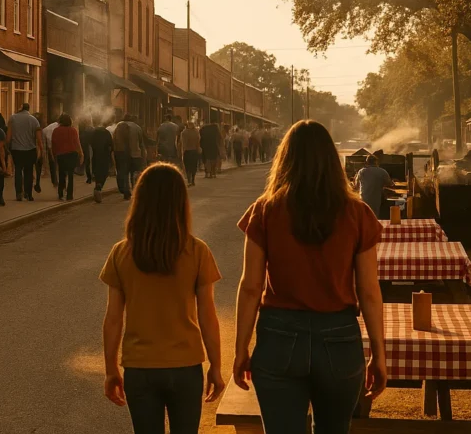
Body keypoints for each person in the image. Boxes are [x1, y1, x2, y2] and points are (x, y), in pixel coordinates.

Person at [234, 121, 387, 433]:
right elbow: (369, 291)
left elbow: (251, 287)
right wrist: (379, 355)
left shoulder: (265, 211)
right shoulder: (357, 214)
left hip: (278, 336)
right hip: (339, 337)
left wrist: (241, 349)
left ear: (285, 159)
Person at [100, 163, 226, 433]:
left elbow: (112, 320)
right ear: (181, 202)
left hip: (140, 368)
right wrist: (215, 365)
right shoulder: (197, 251)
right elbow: (207, 316)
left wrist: (111, 369)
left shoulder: (121, 253)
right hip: (185, 367)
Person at [5, 102, 42, 201]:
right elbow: (39, 138)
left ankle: (18, 193)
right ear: (28, 109)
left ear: (20, 108)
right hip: (30, 150)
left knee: (18, 170)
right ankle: (28, 193)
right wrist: (41, 150)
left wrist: (7, 147)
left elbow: (8, 136)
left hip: (16, 149)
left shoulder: (13, 118)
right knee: (29, 172)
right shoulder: (34, 120)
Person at [52, 113, 84, 201]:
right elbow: (77, 143)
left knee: (61, 174)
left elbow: (54, 143)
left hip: (60, 155)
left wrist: (54, 154)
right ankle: (69, 195)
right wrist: (81, 154)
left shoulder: (56, 130)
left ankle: (60, 193)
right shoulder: (73, 130)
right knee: (70, 175)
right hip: (71, 154)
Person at [354, 154, 393, 218]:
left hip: (363, 198)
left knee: (364, 216)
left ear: (367, 162)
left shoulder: (361, 171)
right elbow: (390, 184)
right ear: (376, 162)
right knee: (374, 216)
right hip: (375, 199)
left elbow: (356, 185)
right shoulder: (382, 171)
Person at [89, 115, 114, 203]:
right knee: (104, 173)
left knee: (97, 172)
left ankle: (98, 186)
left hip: (95, 156)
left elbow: (90, 142)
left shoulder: (94, 132)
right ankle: (98, 187)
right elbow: (111, 145)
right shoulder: (106, 132)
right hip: (104, 156)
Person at [38, 113, 60, 193]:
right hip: (46, 136)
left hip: (50, 139)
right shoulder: (52, 129)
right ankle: (53, 179)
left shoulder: (57, 126)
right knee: (51, 160)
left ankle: (50, 175)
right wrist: (52, 154)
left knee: (53, 160)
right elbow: (50, 143)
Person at [113, 115, 133, 200]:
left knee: (120, 171)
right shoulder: (126, 127)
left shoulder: (117, 128)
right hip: (125, 152)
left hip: (117, 152)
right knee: (125, 172)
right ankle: (126, 191)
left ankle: (121, 188)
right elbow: (129, 141)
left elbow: (113, 140)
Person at [125, 115, 147, 186]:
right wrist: (143, 156)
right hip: (135, 154)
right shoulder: (137, 128)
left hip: (124, 153)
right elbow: (141, 143)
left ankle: (126, 189)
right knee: (134, 171)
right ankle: (134, 187)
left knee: (125, 172)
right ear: (135, 120)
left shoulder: (121, 126)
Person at [180, 120, 201, 186]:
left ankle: (189, 180)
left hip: (187, 151)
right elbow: (198, 142)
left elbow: (183, 144)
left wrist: (182, 152)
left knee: (187, 166)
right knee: (194, 166)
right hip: (194, 151)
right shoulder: (196, 132)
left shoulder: (184, 132)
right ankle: (193, 180)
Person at [80, 117, 95, 184]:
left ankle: (89, 178)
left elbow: (83, 139)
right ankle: (92, 176)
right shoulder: (93, 129)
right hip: (92, 146)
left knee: (88, 163)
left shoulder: (85, 130)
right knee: (92, 162)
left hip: (87, 147)